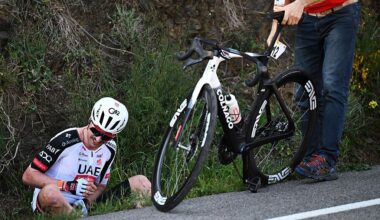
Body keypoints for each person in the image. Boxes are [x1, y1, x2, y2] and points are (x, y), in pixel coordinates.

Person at [267, 0, 360, 181]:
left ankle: (326, 158)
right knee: (304, 91)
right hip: (308, 20)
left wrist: (300, 3)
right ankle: (310, 159)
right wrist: (274, 31)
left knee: (332, 86)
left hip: (340, 15)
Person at [22, 97, 151, 216]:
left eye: (106, 136)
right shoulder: (65, 140)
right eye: (96, 131)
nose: (98, 139)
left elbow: (100, 185)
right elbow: (28, 176)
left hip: (82, 207)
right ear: (90, 121)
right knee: (49, 192)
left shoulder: (110, 148)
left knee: (142, 183)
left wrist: (87, 202)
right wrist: (69, 186)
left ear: (114, 136)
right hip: (53, 204)